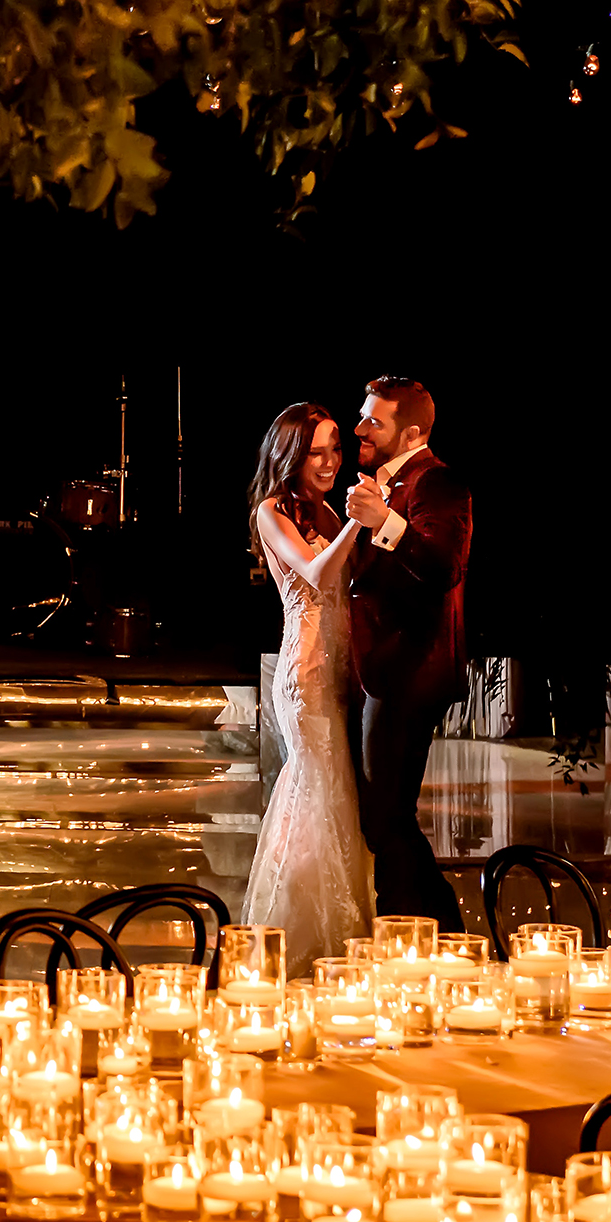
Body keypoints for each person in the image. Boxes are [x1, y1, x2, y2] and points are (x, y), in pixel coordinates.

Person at [240, 402, 372, 972]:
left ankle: (342, 931)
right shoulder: (273, 510)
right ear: (290, 455)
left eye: (334, 449)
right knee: (314, 794)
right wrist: (359, 522)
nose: (328, 461)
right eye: (316, 452)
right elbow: (316, 575)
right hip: (309, 670)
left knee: (340, 796)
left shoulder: (323, 507)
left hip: (345, 667)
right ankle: (302, 939)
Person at [344, 375, 472, 931]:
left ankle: (423, 933)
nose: (360, 428)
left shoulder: (438, 483)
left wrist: (385, 523)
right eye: (363, 416)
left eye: (375, 420)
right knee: (385, 817)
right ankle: (428, 934)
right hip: (381, 669)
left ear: (413, 431)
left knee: (388, 817)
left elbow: (444, 568)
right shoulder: (384, 482)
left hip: (411, 671)